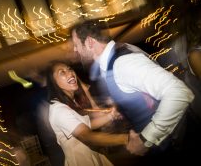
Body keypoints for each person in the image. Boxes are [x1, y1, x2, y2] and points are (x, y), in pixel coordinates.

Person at [70, 20, 194, 156]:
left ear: (89, 42)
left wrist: (145, 139)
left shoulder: (123, 63)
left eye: (76, 44)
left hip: (175, 145)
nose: (75, 49)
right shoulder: (114, 58)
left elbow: (179, 93)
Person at [46, 61, 131, 166]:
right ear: (53, 82)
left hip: (93, 156)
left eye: (69, 69)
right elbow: (86, 136)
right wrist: (127, 139)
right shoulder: (59, 110)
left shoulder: (71, 102)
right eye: (62, 72)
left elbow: (86, 125)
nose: (70, 73)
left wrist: (111, 115)